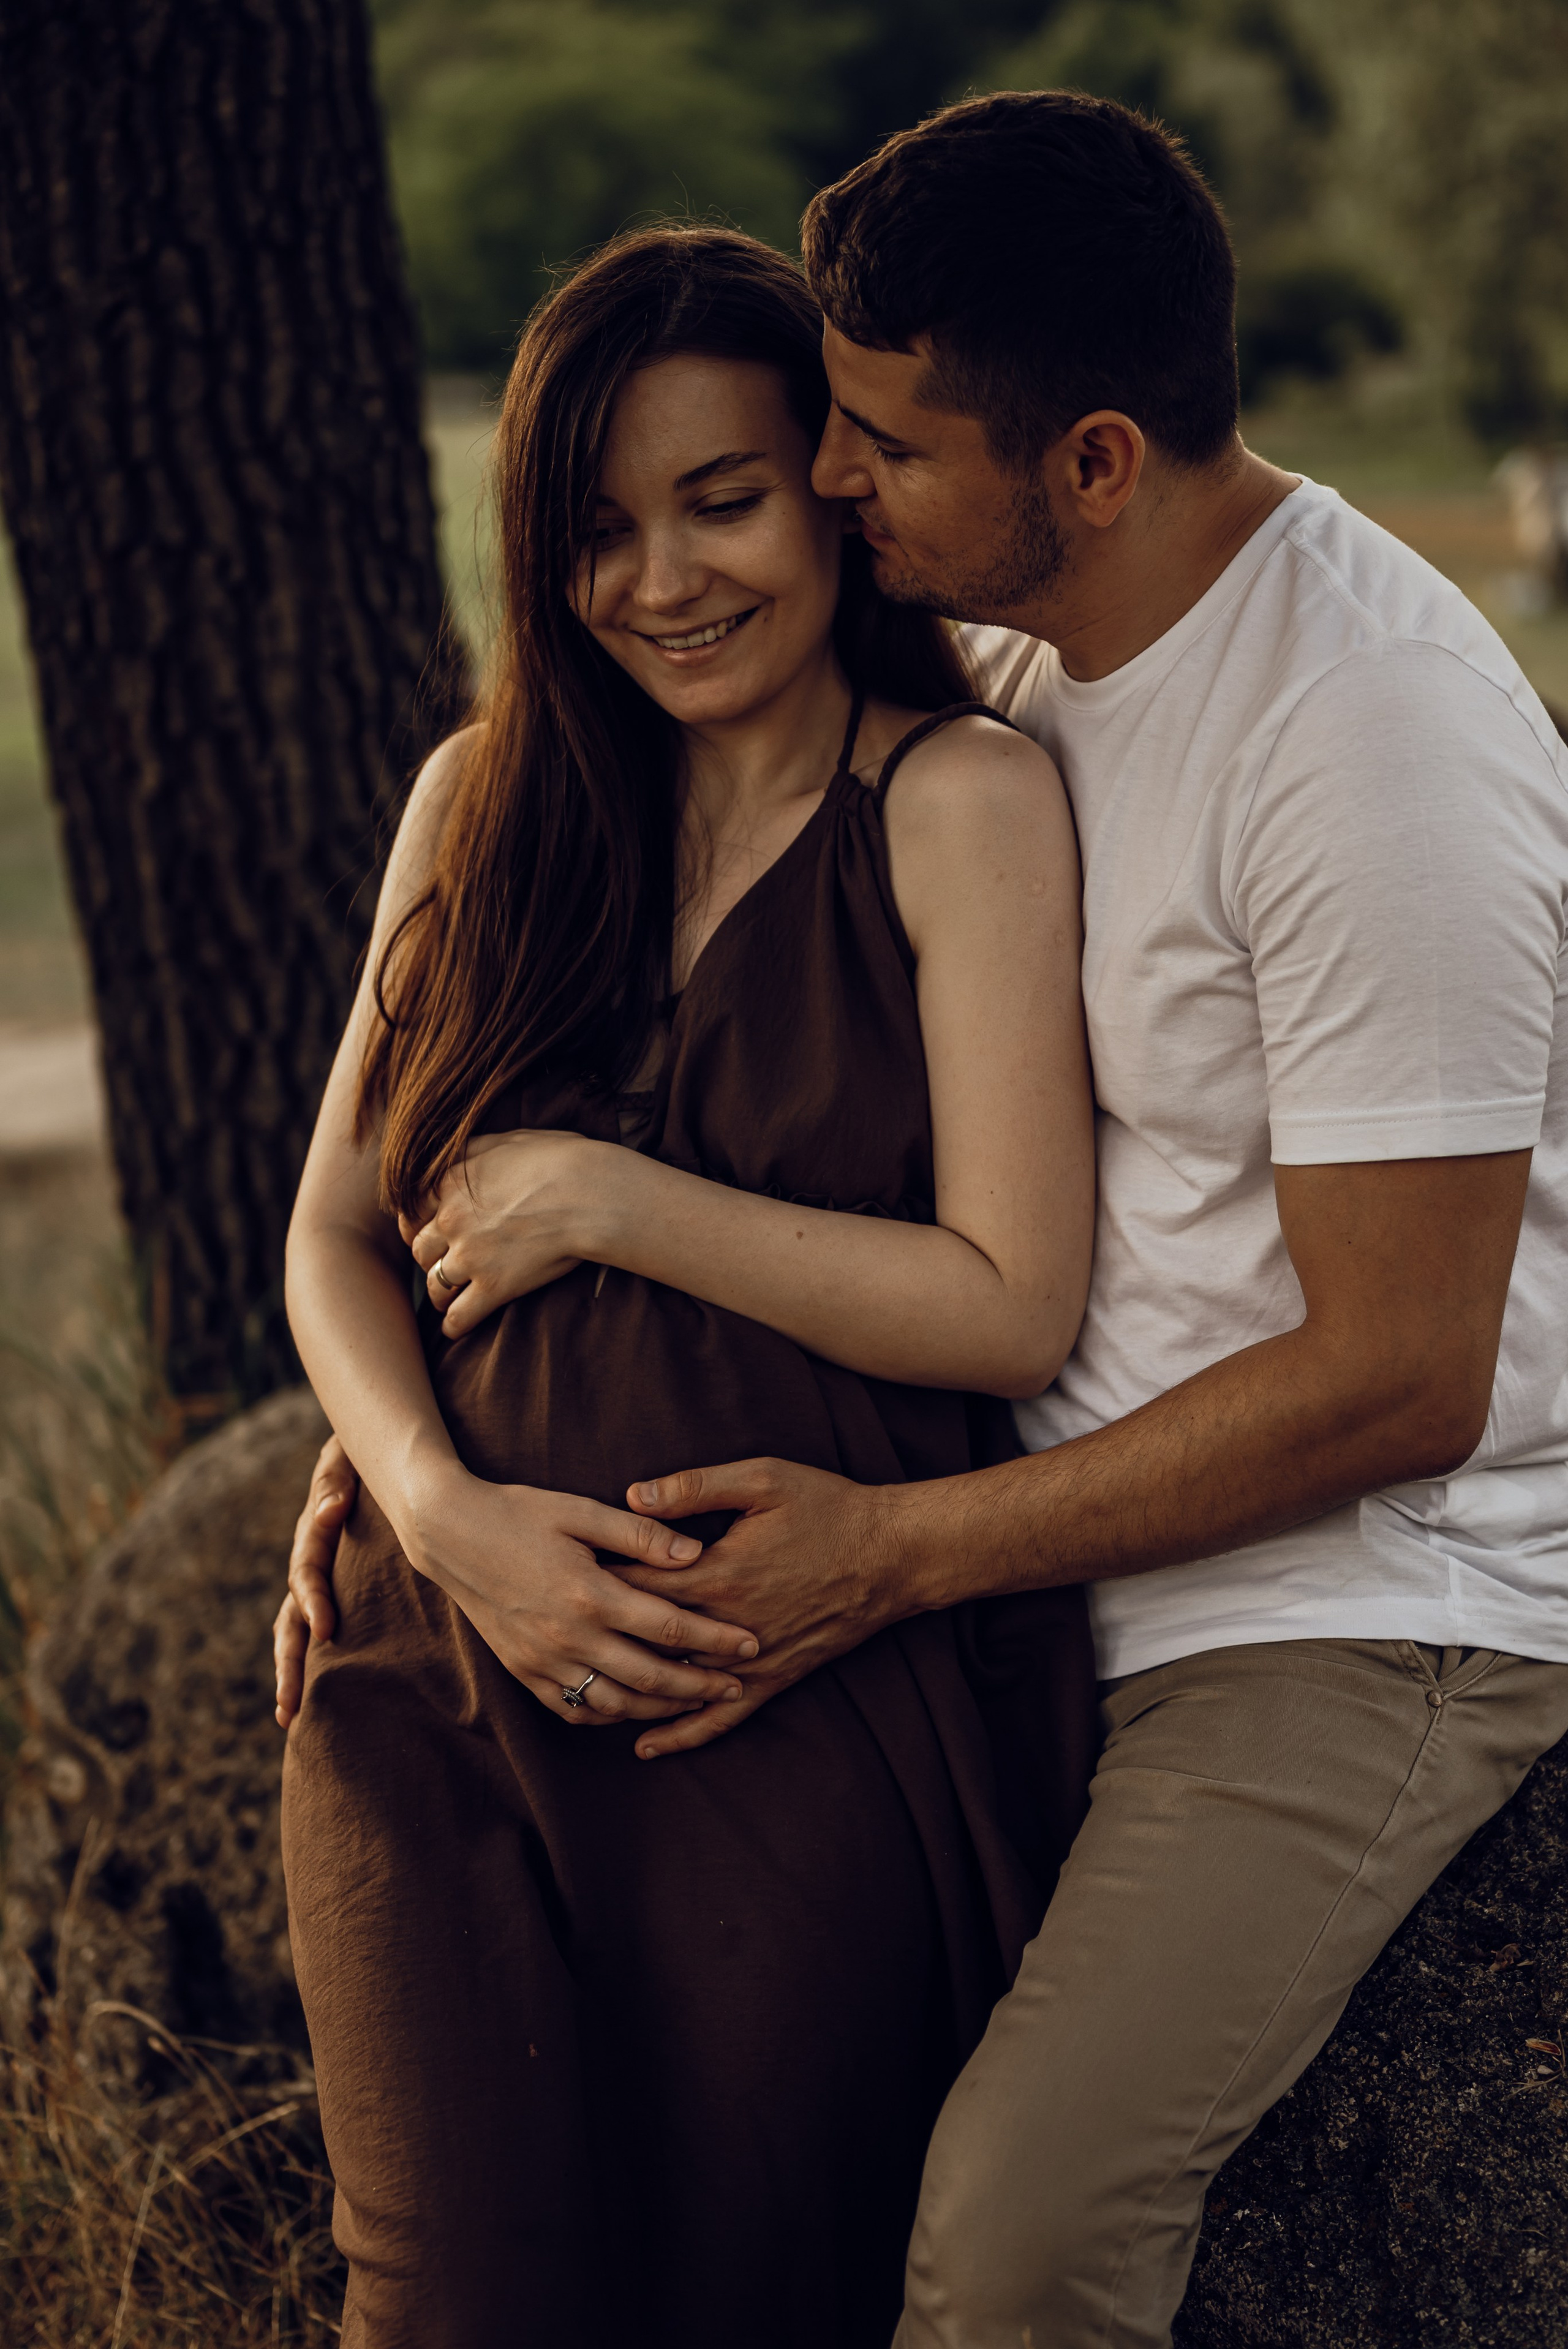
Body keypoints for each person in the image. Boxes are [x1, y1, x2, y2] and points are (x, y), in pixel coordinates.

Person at [279, 90, 1568, 2349]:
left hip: (1334, 1594)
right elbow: (385, 1201)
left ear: (1086, 462)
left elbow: (1399, 1369)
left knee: (998, 2240)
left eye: (862, 447)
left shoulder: (1361, 741)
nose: (837, 488)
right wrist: (412, 1457)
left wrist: (880, 1553)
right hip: (838, 1590)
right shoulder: (1017, 651)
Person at [277, 224, 1098, 2348]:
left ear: (831, 487)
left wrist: (612, 1205)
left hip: (790, 1708)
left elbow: (1013, 1299)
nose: (664, 578)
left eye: (721, 499)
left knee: (760, 2291)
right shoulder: (481, 801)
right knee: (439, 2305)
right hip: (431, 1684)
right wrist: (440, 1518)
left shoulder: (960, 803)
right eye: (598, 529)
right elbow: (335, 1237)